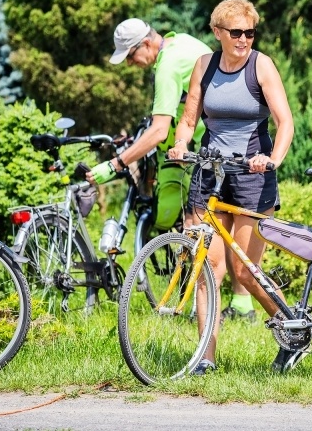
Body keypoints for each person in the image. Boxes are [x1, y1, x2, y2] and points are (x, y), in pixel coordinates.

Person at [87, 18, 257, 317]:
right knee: (225, 224)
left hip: (214, 144)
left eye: (130, 56)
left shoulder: (167, 66)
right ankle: (242, 305)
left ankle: (197, 304)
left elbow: (157, 131)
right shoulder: (183, 43)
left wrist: (115, 164)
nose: (130, 64)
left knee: (196, 224)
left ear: (147, 44)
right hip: (238, 140)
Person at [167, 0, 295, 375]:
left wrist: (273, 159)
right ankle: (205, 358)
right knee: (207, 268)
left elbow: (284, 123)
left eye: (250, 32)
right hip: (210, 173)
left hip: (252, 175)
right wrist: (181, 144)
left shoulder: (262, 66)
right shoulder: (204, 66)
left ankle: (292, 332)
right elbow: (189, 119)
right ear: (218, 33)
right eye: (236, 32)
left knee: (245, 273)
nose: (244, 39)